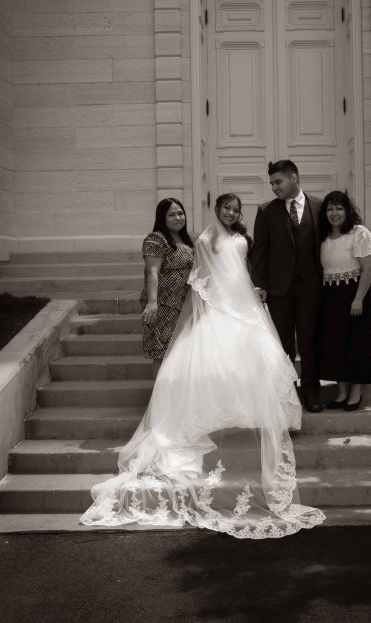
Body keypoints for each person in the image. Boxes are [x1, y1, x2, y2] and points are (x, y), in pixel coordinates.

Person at [80, 193, 325, 539]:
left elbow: (246, 267)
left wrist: (254, 291)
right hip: (219, 301)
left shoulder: (240, 237)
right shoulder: (205, 238)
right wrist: (212, 303)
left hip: (245, 302)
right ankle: (200, 413)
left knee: (257, 359)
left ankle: (259, 413)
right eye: (226, 208)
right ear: (216, 210)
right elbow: (201, 275)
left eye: (236, 210)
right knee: (206, 360)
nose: (231, 213)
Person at [251, 160, 323, 412]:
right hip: (278, 289)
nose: (274, 187)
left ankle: (311, 392)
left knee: (309, 342)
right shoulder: (266, 211)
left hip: (311, 287)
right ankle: (288, 394)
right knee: (284, 346)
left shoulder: (319, 206)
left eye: (278, 181)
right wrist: (259, 285)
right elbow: (259, 252)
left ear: (293, 177)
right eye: (272, 183)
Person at [316, 190, 371, 410]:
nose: (334, 213)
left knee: (357, 343)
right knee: (335, 344)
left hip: (354, 293)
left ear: (347, 210)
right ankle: (341, 392)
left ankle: (356, 392)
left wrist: (358, 299)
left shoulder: (358, 232)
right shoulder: (322, 236)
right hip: (330, 294)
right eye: (330, 209)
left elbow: (368, 268)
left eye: (339, 208)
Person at [140, 198, 195, 378]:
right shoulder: (156, 239)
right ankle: (160, 393)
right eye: (171, 215)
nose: (178, 217)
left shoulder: (186, 240)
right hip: (162, 304)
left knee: (180, 350)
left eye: (180, 213)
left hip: (183, 303)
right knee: (162, 351)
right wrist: (152, 302)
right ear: (161, 218)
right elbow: (152, 271)